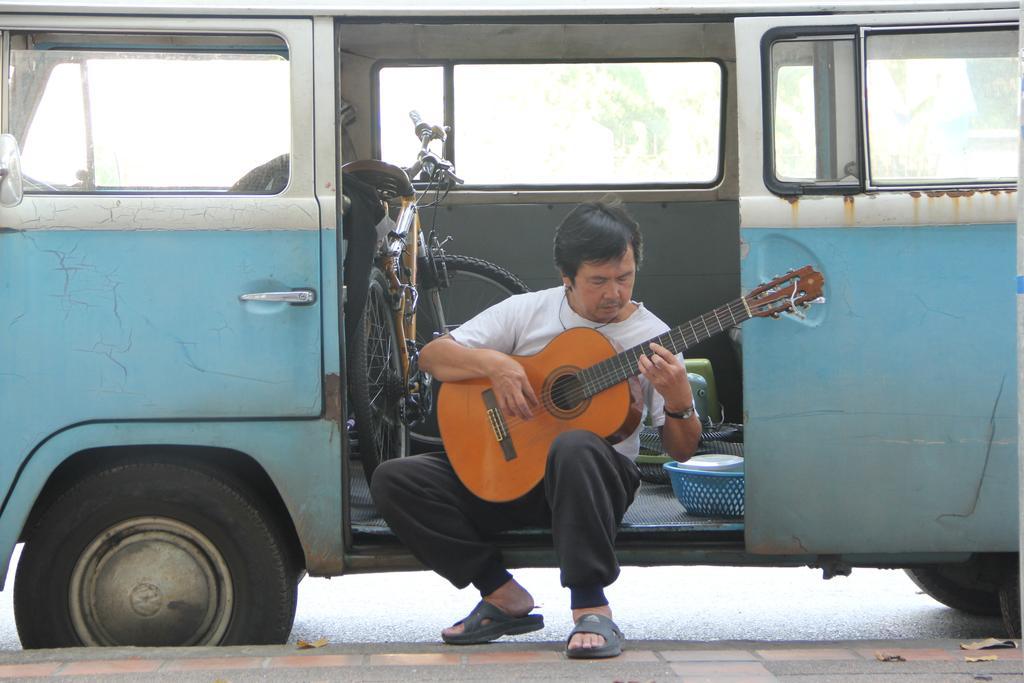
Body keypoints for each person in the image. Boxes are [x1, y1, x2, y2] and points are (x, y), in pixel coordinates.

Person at [370, 200, 701, 659]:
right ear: (567, 278)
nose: (614, 293)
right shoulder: (527, 311)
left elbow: (682, 452)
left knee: (574, 445)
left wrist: (681, 401)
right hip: (513, 477)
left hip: (593, 485)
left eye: (624, 278)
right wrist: (496, 363)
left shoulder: (655, 338)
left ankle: (592, 609)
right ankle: (502, 594)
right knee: (394, 479)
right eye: (598, 281)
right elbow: (432, 358)